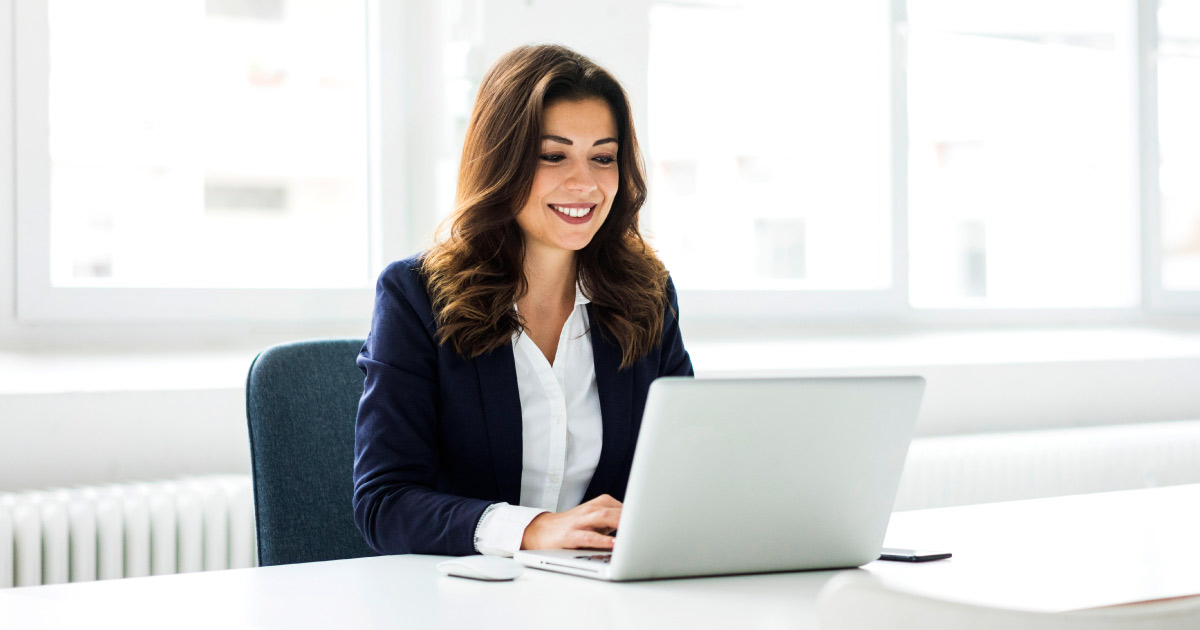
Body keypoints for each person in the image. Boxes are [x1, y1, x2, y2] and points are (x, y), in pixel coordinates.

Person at [353, 44, 693, 558]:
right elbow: (385, 502)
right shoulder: (416, 297)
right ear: (501, 160)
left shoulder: (647, 296)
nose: (585, 183)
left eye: (603, 158)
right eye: (553, 156)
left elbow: (681, 472)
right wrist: (532, 530)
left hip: (603, 588)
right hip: (466, 591)